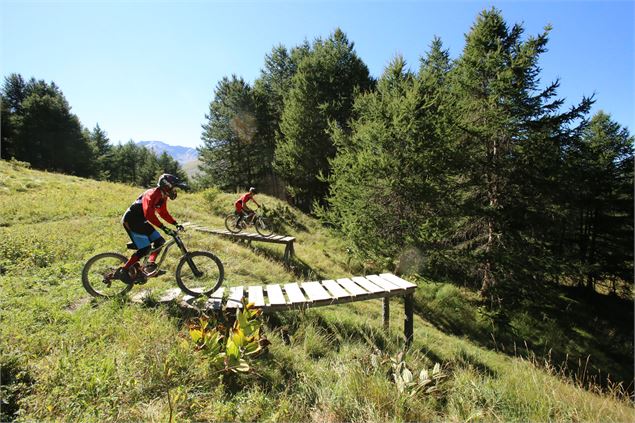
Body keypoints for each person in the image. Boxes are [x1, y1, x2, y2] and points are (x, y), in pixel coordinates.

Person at [114, 174, 187, 284]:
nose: (175, 191)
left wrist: (175, 223)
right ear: (166, 186)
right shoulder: (151, 194)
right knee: (145, 248)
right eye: (174, 188)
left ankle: (149, 265)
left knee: (160, 241)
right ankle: (124, 271)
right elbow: (148, 214)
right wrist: (163, 228)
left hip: (141, 221)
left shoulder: (162, 196)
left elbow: (163, 213)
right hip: (131, 220)